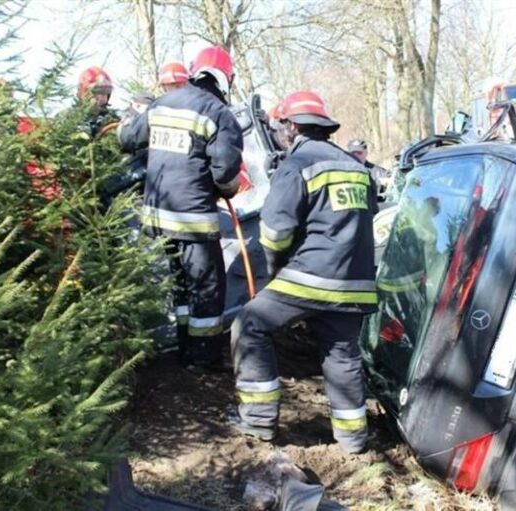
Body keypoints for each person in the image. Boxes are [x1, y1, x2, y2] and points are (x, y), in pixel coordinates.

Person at [229, 90, 378, 454]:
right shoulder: (358, 169)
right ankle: (353, 439)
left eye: (281, 126)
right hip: (356, 284)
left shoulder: (296, 165)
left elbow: (276, 232)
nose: (280, 133)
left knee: (248, 324)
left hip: (310, 277)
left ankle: (259, 421)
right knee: (342, 356)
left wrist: (275, 272)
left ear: (293, 126)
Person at [118, 46, 244, 370]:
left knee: (181, 285)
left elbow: (129, 138)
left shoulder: (162, 103)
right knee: (207, 288)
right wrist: (226, 189)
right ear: (224, 78)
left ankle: (185, 346)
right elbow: (227, 172)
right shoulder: (218, 113)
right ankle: (202, 360)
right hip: (194, 220)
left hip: (159, 218)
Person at [76, 66, 119, 139]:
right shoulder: (68, 121)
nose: (102, 98)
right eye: (97, 92)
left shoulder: (113, 121)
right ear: (84, 93)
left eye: (106, 92)